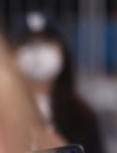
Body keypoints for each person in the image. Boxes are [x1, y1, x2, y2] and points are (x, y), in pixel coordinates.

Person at [10, 12, 105, 153]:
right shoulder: (6, 113)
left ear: (62, 51)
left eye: (46, 42)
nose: (38, 52)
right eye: (28, 43)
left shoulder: (82, 117)